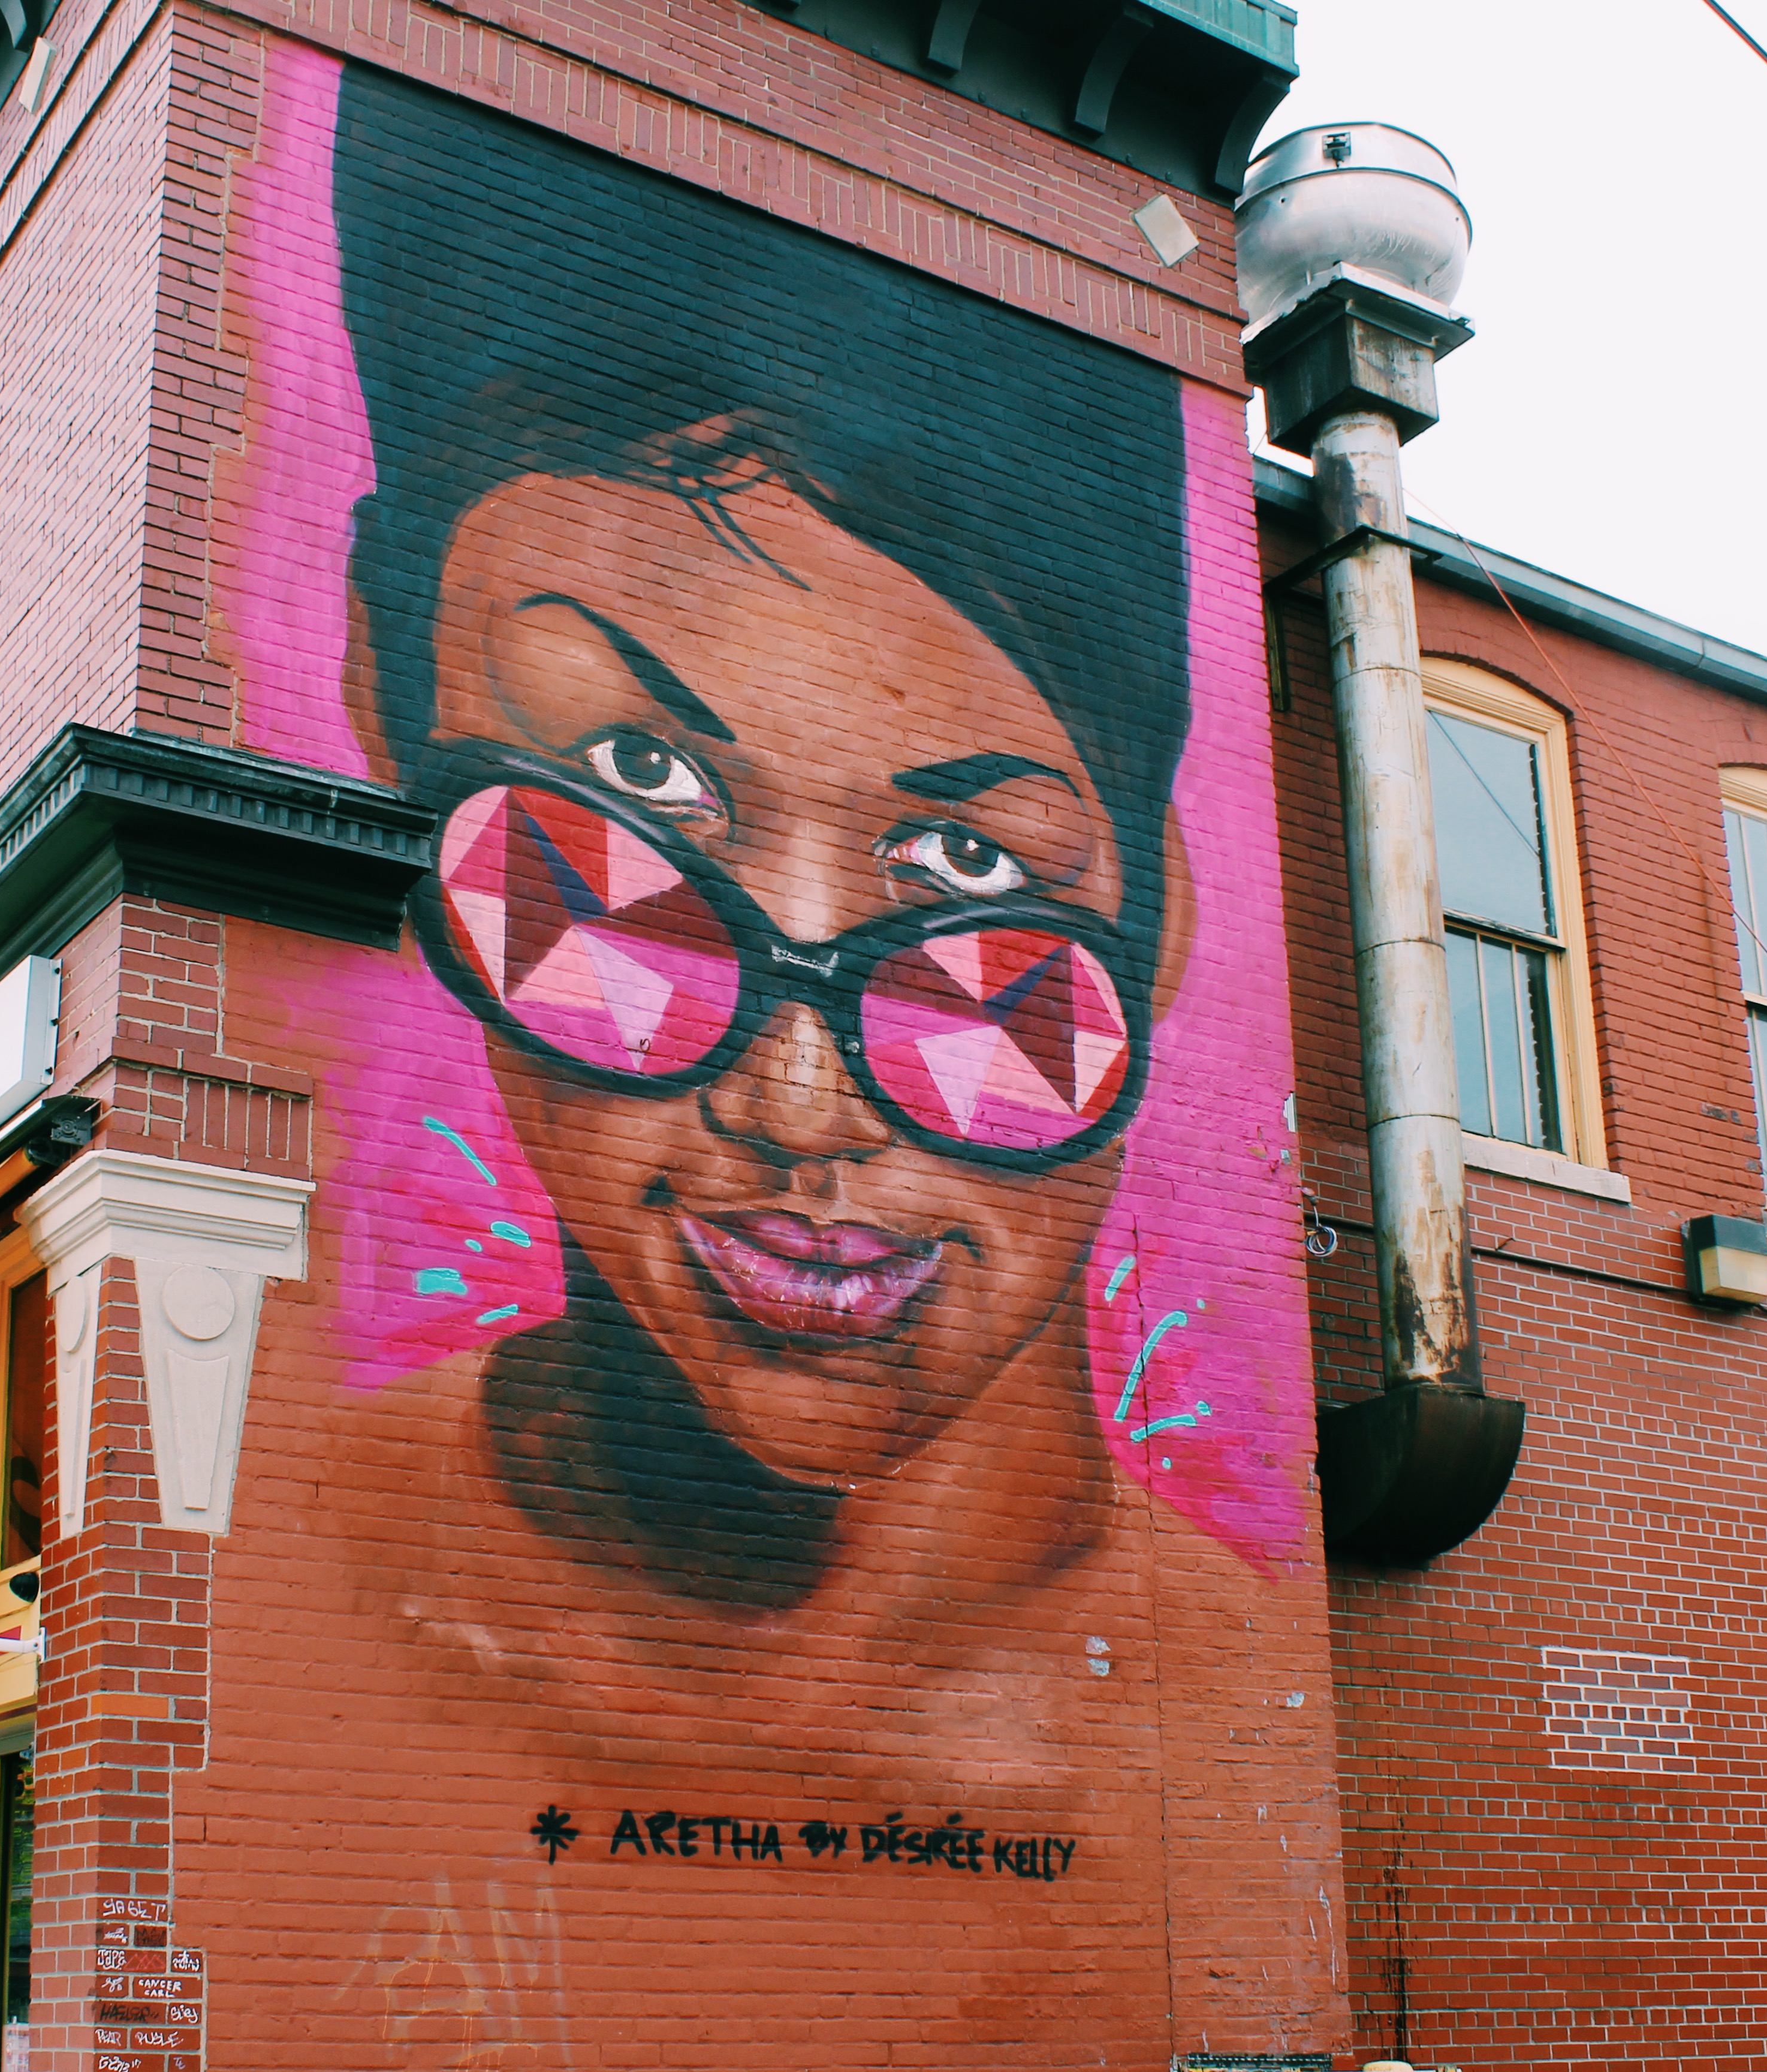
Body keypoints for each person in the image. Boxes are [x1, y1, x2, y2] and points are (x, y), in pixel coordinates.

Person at [297, 68, 1205, 1734]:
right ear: (385, 692)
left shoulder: (1235, 1735)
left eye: (969, 868)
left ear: (1175, 913)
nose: (798, 1108)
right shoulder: (265, 1593)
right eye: (636, 788)